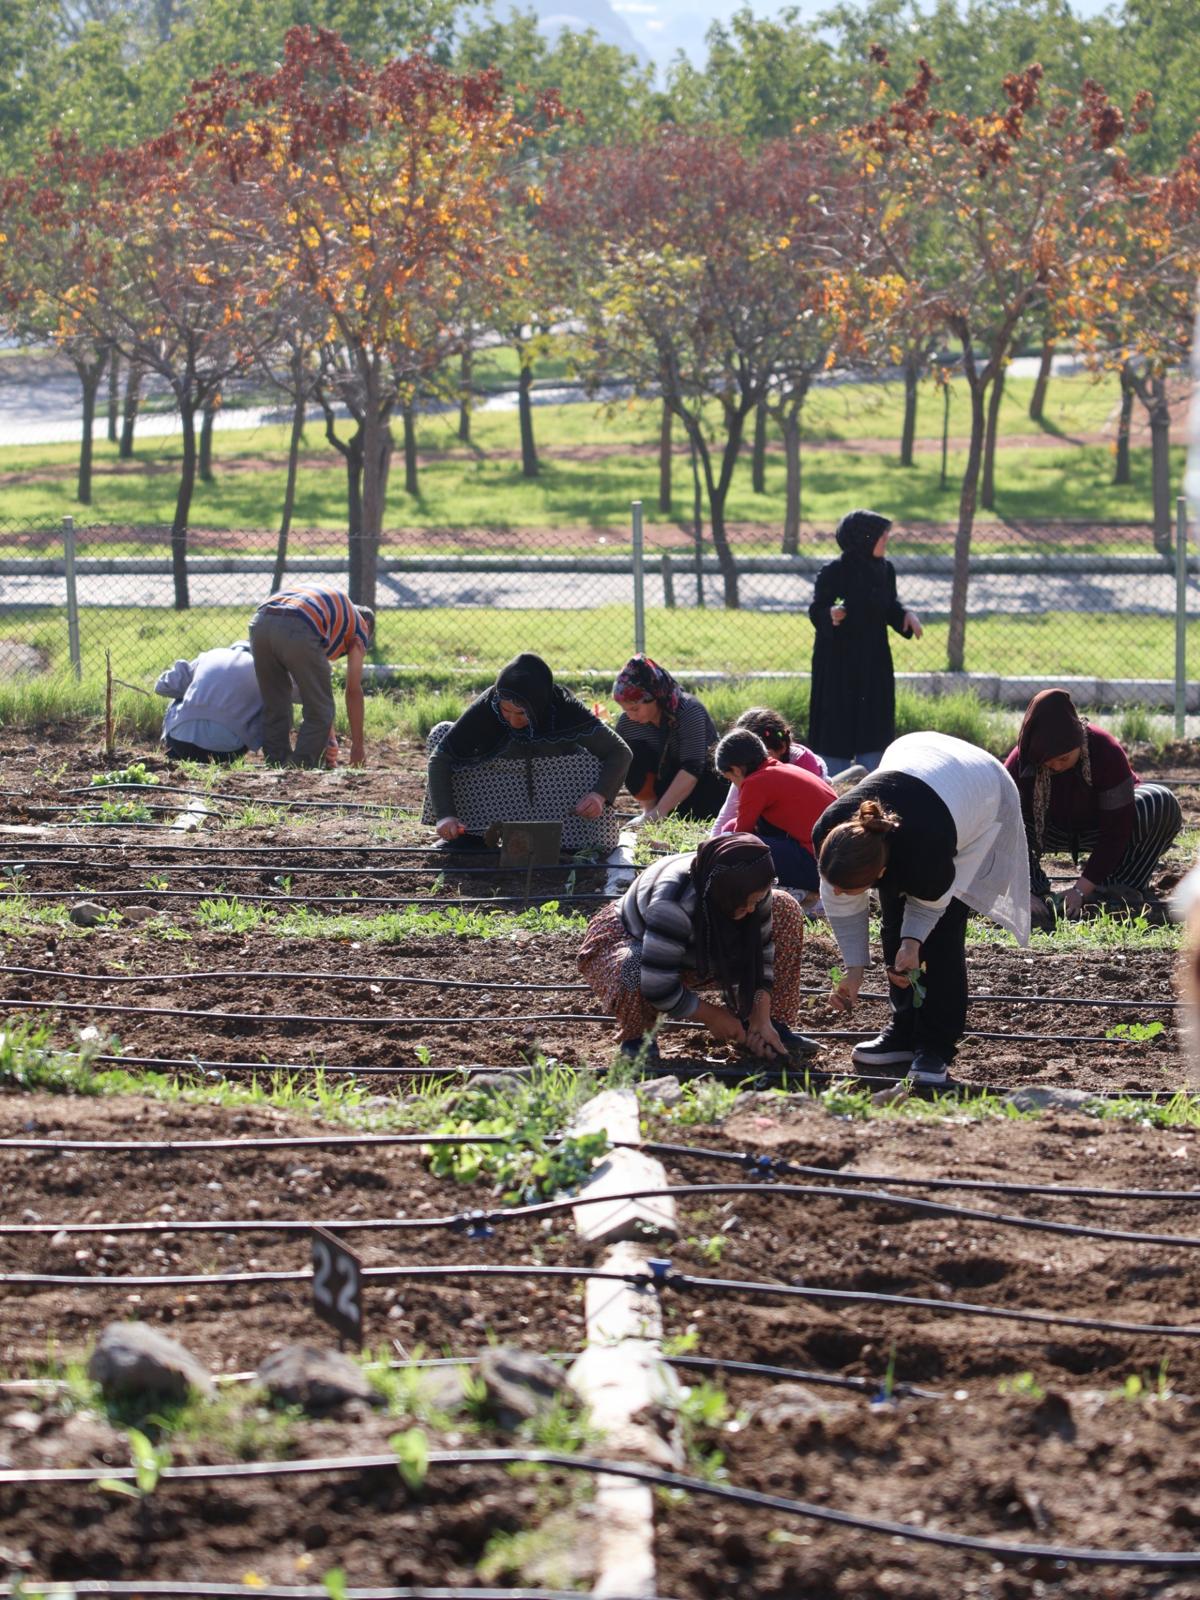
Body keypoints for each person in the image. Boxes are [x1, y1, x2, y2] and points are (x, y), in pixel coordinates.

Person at [813, 731, 1030, 1087]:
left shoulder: (926, 850)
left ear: (882, 871)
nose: (835, 891)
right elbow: (839, 898)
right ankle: (904, 1030)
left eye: (850, 886)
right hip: (919, 764)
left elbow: (929, 905)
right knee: (892, 926)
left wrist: (912, 943)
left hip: (979, 791)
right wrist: (854, 969)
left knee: (941, 937)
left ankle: (935, 1046)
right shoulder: (834, 832)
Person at [578, 833, 820, 1066]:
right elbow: (657, 983)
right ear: (724, 892)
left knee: (785, 907)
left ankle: (770, 1028)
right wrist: (713, 1017)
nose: (750, 909)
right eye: (744, 902)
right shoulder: (672, 903)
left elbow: (764, 956)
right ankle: (638, 1038)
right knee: (633, 966)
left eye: (755, 901)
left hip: (703, 948)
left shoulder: (754, 886)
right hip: (634, 941)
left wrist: (761, 1015)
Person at [422, 653, 632, 853]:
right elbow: (441, 758)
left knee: (593, 759)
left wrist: (598, 795)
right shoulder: (488, 705)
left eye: (522, 713)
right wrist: (445, 815)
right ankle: (469, 836)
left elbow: (620, 751)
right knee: (441, 733)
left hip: (554, 795)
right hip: (496, 790)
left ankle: (579, 841)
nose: (513, 721)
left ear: (539, 705)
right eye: (506, 711)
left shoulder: (564, 708)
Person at [1004, 689, 1183, 921]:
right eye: (1048, 763)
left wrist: (1081, 890)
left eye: (1064, 758)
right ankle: (1037, 893)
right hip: (1047, 832)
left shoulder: (1105, 750)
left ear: (1078, 739)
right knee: (1008, 814)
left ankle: (1111, 891)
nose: (1057, 766)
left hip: (1101, 829)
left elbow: (1116, 830)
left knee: (1159, 801)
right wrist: (1020, 889)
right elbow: (1001, 828)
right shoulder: (1021, 760)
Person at [807, 509, 923, 777]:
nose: (886, 542)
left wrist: (905, 616)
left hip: (873, 662)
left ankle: (872, 784)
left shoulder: (885, 570)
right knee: (836, 723)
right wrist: (830, 615)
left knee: (874, 724)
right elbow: (817, 608)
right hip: (838, 664)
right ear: (864, 539)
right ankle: (831, 782)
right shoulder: (834, 571)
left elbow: (888, 606)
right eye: (882, 537)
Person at [249, 586, 373, 768]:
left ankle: (276, 763)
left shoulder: (331, 616)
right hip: (300, 622)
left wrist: (328, 738)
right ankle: (299, 768)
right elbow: (353, 691)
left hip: (261, 621)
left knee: (276, 702)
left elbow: (306, 684)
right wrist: (358, 748)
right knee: (321, 709)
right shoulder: (360, 629)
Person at [713, 728, 836, 902]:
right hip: (835, 859)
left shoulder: (754, 783)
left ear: (736, 770)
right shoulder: (781, 769)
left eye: (730, 778)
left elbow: (740, 839)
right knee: (730, 831)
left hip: (820, 866)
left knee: (734, 847)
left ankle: (800, 896)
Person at [612, 655, 726, 824]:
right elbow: (632, 767)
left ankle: (661, 816)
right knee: (630, 754)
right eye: (625, 709)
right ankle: (651, 813)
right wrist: (650, 813)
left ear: (656, 697)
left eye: (635, 708)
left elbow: (693, 767)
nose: (630, 716)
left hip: (704, 787)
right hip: (665, 788)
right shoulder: (629, 723)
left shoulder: (689, 711)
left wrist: (658, 814)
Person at [711, 707, 828, 835]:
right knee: (730, 827)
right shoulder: (752, 769)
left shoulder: (757, 776)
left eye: (765, 753)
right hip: (792, 829)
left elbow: (742, 836)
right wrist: (711, 843)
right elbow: (728, 812)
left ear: (782, 747)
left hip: (808, 836)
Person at [154, 642, 264, 764]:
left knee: (180, 694)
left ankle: (174, 753)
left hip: (180, 741)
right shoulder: (265, 668)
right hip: (228, 750)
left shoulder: (211, 655)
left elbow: (162, 687)